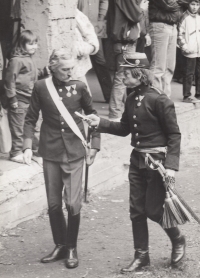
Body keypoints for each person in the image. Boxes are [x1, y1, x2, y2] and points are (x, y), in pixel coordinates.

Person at [85, 53, 186, 273]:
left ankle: (178, 239)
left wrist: (171, 166)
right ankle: (142, 257)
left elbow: (174, 135)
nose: (122, 77)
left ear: (139, 75)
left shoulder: (160, 100)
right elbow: (124, 129)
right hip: (137, 160)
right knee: (136, 210)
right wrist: (99, 122)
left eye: (126, 74)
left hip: (156, 162)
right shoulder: (130, 99)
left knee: (153, 209)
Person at [23, 49, 100, 269]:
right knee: (54, 203)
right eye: (65, 69)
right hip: (51, 151)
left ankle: (72, 247)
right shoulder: (41, 87)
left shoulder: (80, 87)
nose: (69, 73)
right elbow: (30, 119)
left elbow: (93, 117)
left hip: (75, 152)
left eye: (71, 69)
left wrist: (94, 146)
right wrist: (28, 146)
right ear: (53, 68)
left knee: (73, 202)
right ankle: (60, 245)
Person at [4, 30, 39, 163]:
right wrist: (12, 98)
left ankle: (33, 150)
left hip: (30, 99)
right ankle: (16, 152)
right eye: (30, 44)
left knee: (32, 125)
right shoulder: (17, 60)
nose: (34, 46)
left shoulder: (29, 59)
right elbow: (9, 80)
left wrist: (44, 72)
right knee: (18, 126)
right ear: (21, 44)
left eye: (35, 43)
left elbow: (31, 77)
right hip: (19, 99)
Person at [107, 0, 143, 121]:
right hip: (125, 41)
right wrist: (141, 7)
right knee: (123, 76)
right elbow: (136, 15)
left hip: (124, 40)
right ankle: (115, 112)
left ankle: (119, 110)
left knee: (124, 75)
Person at [77, 0, 112, 103]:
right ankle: (79, 99)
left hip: (94, 27)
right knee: (78, 61)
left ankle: (109, 95)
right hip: (78, 27)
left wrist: (101, 18)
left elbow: (104, 2)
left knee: (100, 61)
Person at [148, 0, 181, 98]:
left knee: (169, 67)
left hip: (172, 26)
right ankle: (154, 100)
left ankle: (164, 100)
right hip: (160, 25)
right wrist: (180, 3)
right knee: (158, 67)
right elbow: (168, 4)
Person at [177, 0, 200, 103]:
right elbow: (180, 34)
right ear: (188, 4)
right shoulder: (184, 17)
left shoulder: (199, 17)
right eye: (193, 4)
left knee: (199, 73)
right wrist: (185, 47)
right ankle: (186, 95)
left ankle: (198, 93)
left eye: (197, 5)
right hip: (190, 50)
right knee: (189, 73)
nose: (195, 7)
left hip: (199, 50)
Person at [73, 8, 99, 96]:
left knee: (85, 99)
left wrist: (87, 48)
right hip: (62, 68)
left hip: (78, 67)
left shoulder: (76, 14)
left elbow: (90, 35)